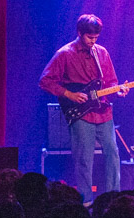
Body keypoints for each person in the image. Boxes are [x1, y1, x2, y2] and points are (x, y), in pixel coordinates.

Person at [40, 14, 127, 205]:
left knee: (113, 154)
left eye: (96, 38)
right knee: (84, 160)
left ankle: (114, 199)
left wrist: (118, 91)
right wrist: (69, 95)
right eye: (89, 37)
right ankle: (86, 202)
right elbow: (45, 81)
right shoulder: (65, 53)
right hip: (81, 114)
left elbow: (111, 82)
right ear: (80, 33)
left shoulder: (102, 52)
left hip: (103, 112)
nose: (93, 41)